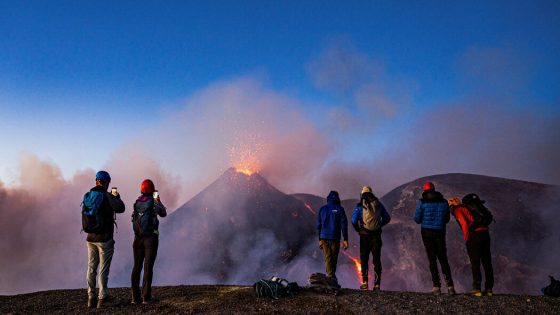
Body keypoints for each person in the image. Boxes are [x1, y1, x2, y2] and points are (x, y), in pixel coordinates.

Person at [84, 171, 125, 308]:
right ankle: (102, 298)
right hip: (104, 239)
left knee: (91, 267)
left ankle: (91, 298)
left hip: (90, 238)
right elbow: (121, 208)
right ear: (106, 182)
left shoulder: (88, 196)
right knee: (103, 269)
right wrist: (116, 197)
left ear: (96, 181)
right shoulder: (107, 196)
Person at [414, 182, 455, 295]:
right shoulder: (444, 202)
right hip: (440, 232)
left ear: (425, 190)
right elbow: (446, 219)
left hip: (426, 232)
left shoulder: (421, 202)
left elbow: (417, 219)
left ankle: (436, 286)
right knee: (443, 258)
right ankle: (450, 286)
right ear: (434, 189)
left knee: (432, 259)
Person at [131, 179, 167, 304]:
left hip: (137, 239)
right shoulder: (153, 202)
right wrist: (158, 200)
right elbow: (163, 213)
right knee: (147, 267)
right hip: (150, 239)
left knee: (136, 267)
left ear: (141, 189)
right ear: (152, 190)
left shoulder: (136, 203)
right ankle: (146, 297)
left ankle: (135, 298)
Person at [449, 196, 494, 296]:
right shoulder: (469, 208)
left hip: (475, 236)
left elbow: (464, 224)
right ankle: (489, 289)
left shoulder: (458, 210)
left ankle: (476, 289)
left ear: (452, 206)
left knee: (475, 262)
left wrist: (467, 238)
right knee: (487, 262)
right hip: (485, 234)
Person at [351, 186, 391, 291]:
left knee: (364, 259)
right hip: (376, 236)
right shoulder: (378, 204)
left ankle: (364, 283)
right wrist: (379, 225)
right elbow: (387, 218)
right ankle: (377, 284)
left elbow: (354, 220)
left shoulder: (360, 206)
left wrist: (358, 230)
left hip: (364, 236)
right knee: (376, 260)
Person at [317, 191, 348, 283]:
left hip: (323, 237)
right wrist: (345, 239)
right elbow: (344, 225)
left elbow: (319, 225)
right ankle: (331, 278)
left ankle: (330, 277)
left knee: (328, 257)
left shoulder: (322, 209)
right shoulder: (340, 209)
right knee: (333, 258)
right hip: (334, 237)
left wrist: (319, 239)